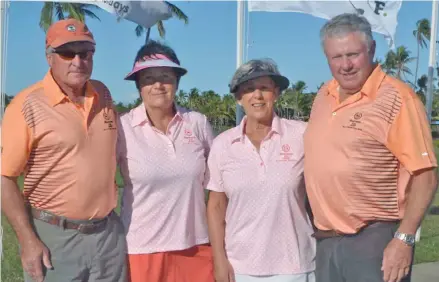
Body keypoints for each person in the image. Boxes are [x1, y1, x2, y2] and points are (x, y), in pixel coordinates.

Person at [304, 13, 438, 282]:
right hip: (326, 240)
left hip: (374, 239)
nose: (346, 65)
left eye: (353, 54)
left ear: (372, 49)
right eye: (336, 57)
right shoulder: (323, 95)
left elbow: (426, 174)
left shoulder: (397, 97)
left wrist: (404, 239)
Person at [1, 19, 126, 282]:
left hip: (108, 235)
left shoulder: (103, 94)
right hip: (55, 237)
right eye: (68, 52)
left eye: (85, 52)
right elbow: (4, 178)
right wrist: (28, 240)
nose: (78, 61)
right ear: (49, 57)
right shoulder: (27, 105)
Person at [206, 58, 316, 282]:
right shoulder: (223, 144)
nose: (257, 96)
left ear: (275, 93)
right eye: (248, 89)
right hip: (240, 268)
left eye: (264, 88)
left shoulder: (301, 135)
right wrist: (219, 259)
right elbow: (216, 206)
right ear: (239, 98)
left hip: (295, 265)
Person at [117, 40, 215, 282]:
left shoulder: (197, 122)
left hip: (196, 244)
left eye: (166, 77)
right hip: (142, 249)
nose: (158, 85)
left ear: (177, 83)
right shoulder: (122, 127)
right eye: (149, 78)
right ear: (139, 85)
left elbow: (217, 185)